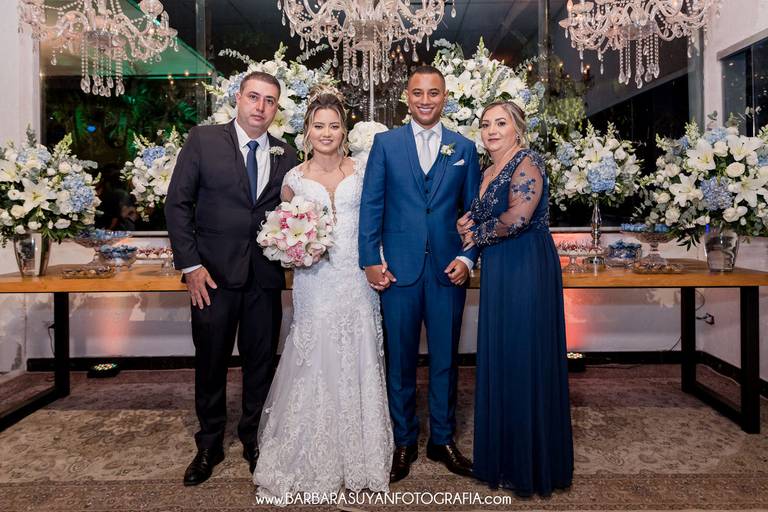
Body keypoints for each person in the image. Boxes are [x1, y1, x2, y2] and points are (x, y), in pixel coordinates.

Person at [253, 89, 393, 498]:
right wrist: (296, 251)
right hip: (315, 281)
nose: (326, 132)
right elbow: (280, 230)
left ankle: (360, 455)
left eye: (334, 125)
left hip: (357, 278)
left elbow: (379, 219)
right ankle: (308, 453)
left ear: (344, 131)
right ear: (307, 132)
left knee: (359, 353)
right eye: (319, 126)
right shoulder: (294, 179)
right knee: (314, 356)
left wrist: (380, 260)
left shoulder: (363, 170)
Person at [165, 71, 298, 486]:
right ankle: (209, 444)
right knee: (211, 362)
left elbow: (293, 214)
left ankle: (254, 438)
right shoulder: (203, 140)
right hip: (212, 278)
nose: (261, 107)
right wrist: (191, 266)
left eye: (269, 101)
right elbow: (177, 204)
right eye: (254, 97)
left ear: (277, 108)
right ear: (238, 98)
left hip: (264, 278)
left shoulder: (287, 153)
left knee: (261, 363)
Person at [358, 66, 480, 483]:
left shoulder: (464, 147)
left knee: (446, 359)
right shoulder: (386, 144)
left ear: (445, 96)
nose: (425, 100)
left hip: (448, 271)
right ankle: (404, 440)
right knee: (400, 360)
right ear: (406, 98)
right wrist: (369, 259)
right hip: (398, 271)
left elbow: (474, 212)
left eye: (433, 93)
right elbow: (372, 205)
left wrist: (467, 257)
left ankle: (442, 439)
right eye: (418, 93)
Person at [458, 101, 573, 497]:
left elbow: (519, 218)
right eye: (486, 124)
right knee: (503, 354)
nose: (491, 130)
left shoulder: (527, 161)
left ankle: (531, 463)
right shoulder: (487, 170)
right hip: (499, 266)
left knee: (524, 354)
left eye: (501, 123)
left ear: (517, 129)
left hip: (526, 265)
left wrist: (476, 233)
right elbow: (485, 218)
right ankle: (504, 457)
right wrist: (465, 224)